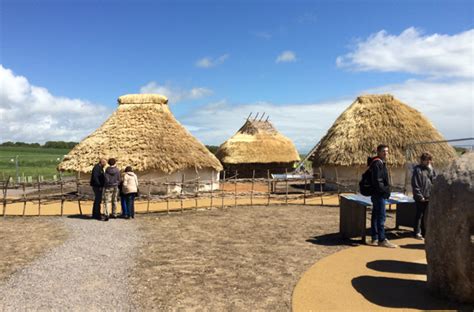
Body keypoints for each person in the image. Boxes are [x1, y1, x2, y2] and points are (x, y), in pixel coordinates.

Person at [368, 144, 397, 248]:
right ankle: (381, 239)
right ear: (379, 152)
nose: (386, 153)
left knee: (376, 215)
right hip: (379, 194)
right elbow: (378, 180)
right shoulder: (377, 163)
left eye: (387, 151)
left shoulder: (378, 163)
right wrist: (385, 191)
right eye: (384, 151)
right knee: (381, 216)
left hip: (377, 193)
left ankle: (375, 238)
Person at [411, 152, 436, 240]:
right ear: (422, 160)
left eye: (429, 160)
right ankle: (417, 232)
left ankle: (425, 232)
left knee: (426, 215)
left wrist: (430, 170)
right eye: (426, 160)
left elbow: (434, 180)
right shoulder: (417, 170)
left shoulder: (431, 169)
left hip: (429, 196)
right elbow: (415, 184)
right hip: (421, 197)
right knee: (420, 215)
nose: (428, 162)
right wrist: (419, 196)